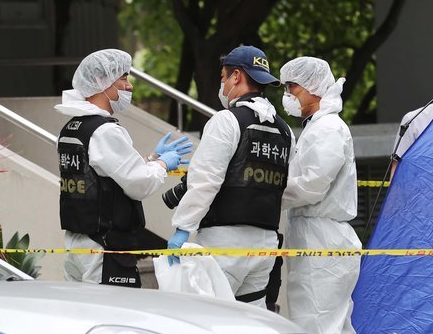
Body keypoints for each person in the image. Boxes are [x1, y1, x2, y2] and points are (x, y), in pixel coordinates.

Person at [279, 56, 367, 334]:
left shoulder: (328, 129)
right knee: (337, 332)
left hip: (322, 238)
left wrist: (267, 190)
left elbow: (312, 186)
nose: (287, 95)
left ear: (313, 88)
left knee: (318, 330)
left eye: (292, 87)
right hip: (320, 236)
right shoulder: (318, 126)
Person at [167, 45, 292, 307]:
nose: (222, 85)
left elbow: (205, 181)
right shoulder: (284, 131)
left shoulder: (226, 120)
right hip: (265, 244)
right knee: (252, 320)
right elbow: (285, 185)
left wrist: (183, 228)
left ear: (236, 76)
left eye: (223, 78)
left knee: (211, 319)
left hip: (223, 243)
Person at [57, 48, 192, 287]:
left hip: (78, 241)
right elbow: (139, 185)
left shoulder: (72, 128)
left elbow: (103, 175)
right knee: (111, 309)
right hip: (104, 246)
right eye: (123, 78)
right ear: (102, 81)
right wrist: (163, 164)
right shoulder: (105, 131)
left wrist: (151, 158)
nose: (129, 86)